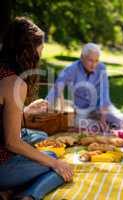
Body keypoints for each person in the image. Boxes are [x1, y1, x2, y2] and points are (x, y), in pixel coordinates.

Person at [0, 17, 73, 200]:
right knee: (59, 166)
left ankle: (10, 189)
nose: (42, 51)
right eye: (41, 47)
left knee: (41, 138)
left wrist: (25, 112)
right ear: (29, 51)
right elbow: (12, 142)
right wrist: (54, 163)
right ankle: (28, 196)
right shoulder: (14, 83)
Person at [46, 43, 123, 132]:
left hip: (99, 106)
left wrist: (103, 117)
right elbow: (58, 87)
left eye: (96, 60)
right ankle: (96, 125)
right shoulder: (72, 68)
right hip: (81, 109)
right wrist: (46, 105)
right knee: (73, 122)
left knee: (121, 120)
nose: (94, 64)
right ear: (82, 58)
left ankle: (100, 124)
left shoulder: (102, 68)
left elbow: (104, 94)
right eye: (90, 60)